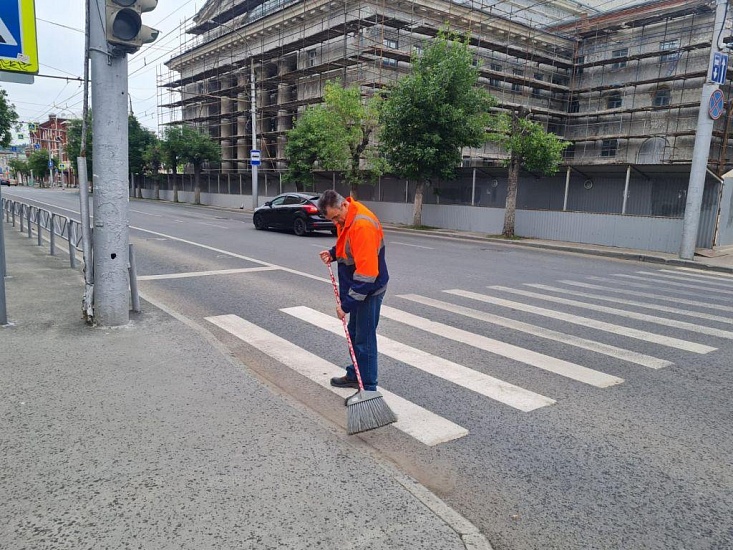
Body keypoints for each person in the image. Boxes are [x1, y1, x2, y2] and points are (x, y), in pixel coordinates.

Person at [318, 190, 389, 392]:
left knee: (364, 339)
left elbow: (367, 275)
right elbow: (348, 248)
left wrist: (346, 305)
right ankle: (354, 374)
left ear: (343, 205)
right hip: (359, 288)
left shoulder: (362, 224)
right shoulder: (346, 220)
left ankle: (368, 388)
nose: (335, 222)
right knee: (355, 333)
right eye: (331, 219)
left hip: (369, 290)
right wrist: (332, 254)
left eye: (335, 217)